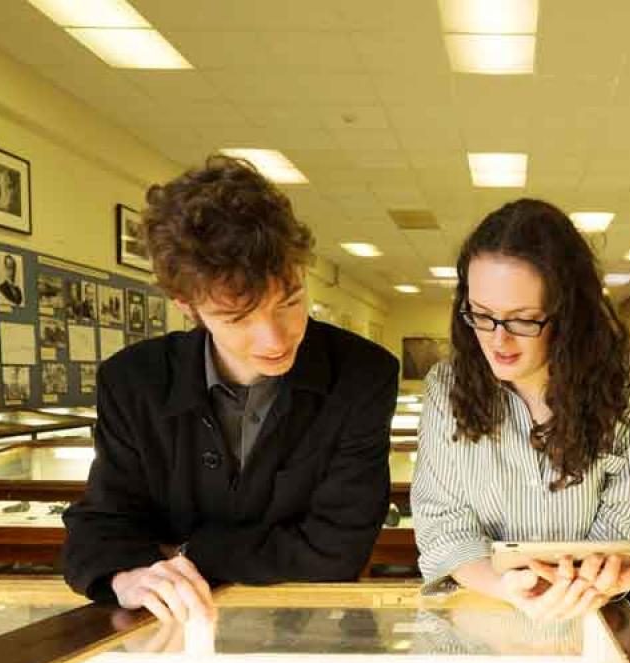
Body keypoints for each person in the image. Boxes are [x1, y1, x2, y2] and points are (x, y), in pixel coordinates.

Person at [63, 155, 399, 622]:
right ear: (188, 306)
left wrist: (179, 550)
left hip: (311, 626)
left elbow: (337, 548)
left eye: (290, 302)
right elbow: (98, 527)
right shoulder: (132, 381)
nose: (276, 339)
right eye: (237, 318)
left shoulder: (363, 373)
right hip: (167, 628)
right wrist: (127, 577)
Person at [411, 198, 630, 623]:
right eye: (481, 315)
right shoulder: (447, 385)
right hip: (487, 617)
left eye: (523, 320)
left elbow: (629, 520)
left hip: (597, 614)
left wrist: (573, 589)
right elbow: (442, 523)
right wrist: (506, 588)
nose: (498, 341)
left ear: (569, 314)